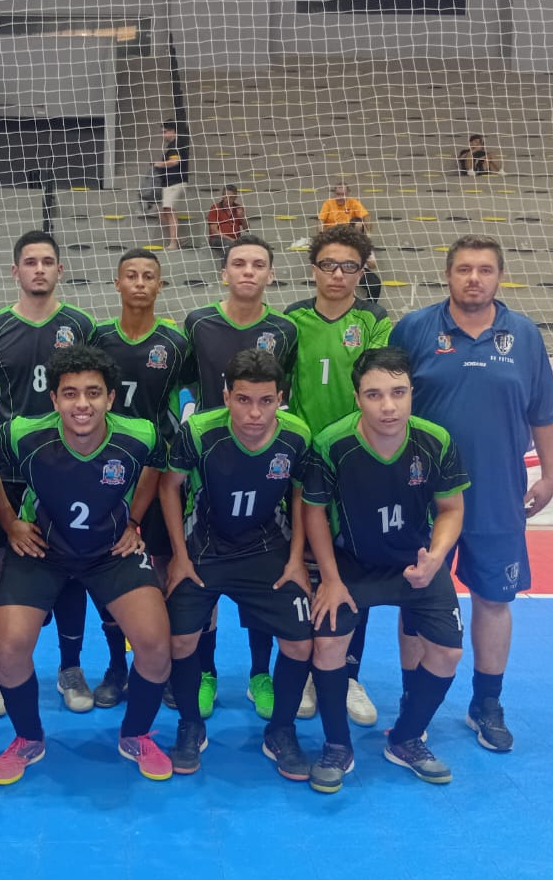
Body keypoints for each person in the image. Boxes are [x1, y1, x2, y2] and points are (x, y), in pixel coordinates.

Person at [389, 234, 553, 753]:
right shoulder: (415, 329)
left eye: (484, 270)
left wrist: (551, 475)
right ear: (448, 274)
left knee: (494, 597)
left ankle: (486, 703)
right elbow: (384, 398)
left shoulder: (524, 335)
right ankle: (411, 700)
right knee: (418, 596)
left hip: (497, 492)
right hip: (423, 493)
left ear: (499, 277)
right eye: (464, 269)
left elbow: (545, 411)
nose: (474, 279)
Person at [0, 345, 174, 785]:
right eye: (69, 393)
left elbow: (155, 468)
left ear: (111, 398)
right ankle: (28, 739)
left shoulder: (141, 435)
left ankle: (137, 735)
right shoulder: (21, 433)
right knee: (11, 648)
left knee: (155, 645)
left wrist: (132, 518)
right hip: (43, 551)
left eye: (93, 393)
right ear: (53, 400)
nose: (82, 404)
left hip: (109, 551)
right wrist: (11, 522)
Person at [302, 346, 468, 792]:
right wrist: (331, 579)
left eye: (398, 392)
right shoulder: (331, 443)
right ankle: (338, 746)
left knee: (448, 652)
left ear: (413, 393)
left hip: (416, 563)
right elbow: (314, 513)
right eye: (374, 395)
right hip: (352, 566)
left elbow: (451, 508)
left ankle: (407, 738)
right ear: (357, 397)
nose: (388, 406)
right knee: (328, 646)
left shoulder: (436, 440)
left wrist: (435, 557)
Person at [159, 348, 315, 781]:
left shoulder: (297, 436)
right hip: (205, 548)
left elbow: (302, 493)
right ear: (227, 396)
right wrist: (179, 556)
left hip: (267, 549)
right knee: (180, 642)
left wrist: (298, 558)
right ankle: (190, 724)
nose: (255, 413)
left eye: (266, 401)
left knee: (301, 644)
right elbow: (169, 488)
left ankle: (280, 731)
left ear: (280, 398)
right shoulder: (199, 433)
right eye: (244, 399)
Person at [0, 230, 100, 714]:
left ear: (60, 270)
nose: (40, 269)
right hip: (8, 463)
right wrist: (10, 439)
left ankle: (70, 667)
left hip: (66, 462)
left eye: (48, 261)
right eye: (30, 262)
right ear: (16, 271)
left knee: (69, 565)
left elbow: (88, 388)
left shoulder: (81, 323)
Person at [181, 232, 299, 721]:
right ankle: (205, 671)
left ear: (270, 274)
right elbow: (184, 379)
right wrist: (188, 409)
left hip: (261, 455)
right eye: (239, 263)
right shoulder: (198, 322)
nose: (248, 271)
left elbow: (284, 389)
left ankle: (259, 674)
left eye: (257, 264)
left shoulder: (285, 328)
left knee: (262, 571)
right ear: (224, 272)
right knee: (204, 570)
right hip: (209, 457)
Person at [285, 223, 393, 727]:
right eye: (328, 264)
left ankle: (347, 674)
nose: (337, 274)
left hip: (355, 459)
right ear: (313, 268)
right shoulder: (291, 320)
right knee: (303, 569)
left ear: (362, 270)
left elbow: (379, 387)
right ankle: (307, 670)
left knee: (353, 571)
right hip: (303, 462)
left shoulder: (373, 321)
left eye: (349, 266)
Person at [89, 248, 190, 708]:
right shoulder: (98, 337)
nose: (140, 283)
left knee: (165, 567)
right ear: (116, 282)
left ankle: (159, 667)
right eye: (131, 275)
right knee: (107, 567)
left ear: (160, 285)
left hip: (159, 467)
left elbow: (191, 398)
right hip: (107, 470)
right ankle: (116, 665)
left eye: (149, 276)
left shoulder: (176, 341)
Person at [153, 122, 189, 250]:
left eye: (165, 132)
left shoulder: (176, 145)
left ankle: (174, 242)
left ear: (173, 131)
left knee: (168, 209)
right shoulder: (171, 146)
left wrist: (159, 164)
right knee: (162, 211)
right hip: (168, 182)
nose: (163, 135)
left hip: (175, 182)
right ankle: (179, 238)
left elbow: (174, 162)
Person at [206, 184, 248, 253]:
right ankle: (226, 264)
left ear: (235, 197)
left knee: (252, 242)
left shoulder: (239, 208)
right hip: (217, 239)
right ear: (222, 196)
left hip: (235, 239)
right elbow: (214, 231)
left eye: (231, 198)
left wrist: (242, 218)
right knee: (228, 244)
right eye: (226, 197)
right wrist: (232, 240)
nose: (227, 200)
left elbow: (247, 229)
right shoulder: (215, 208)